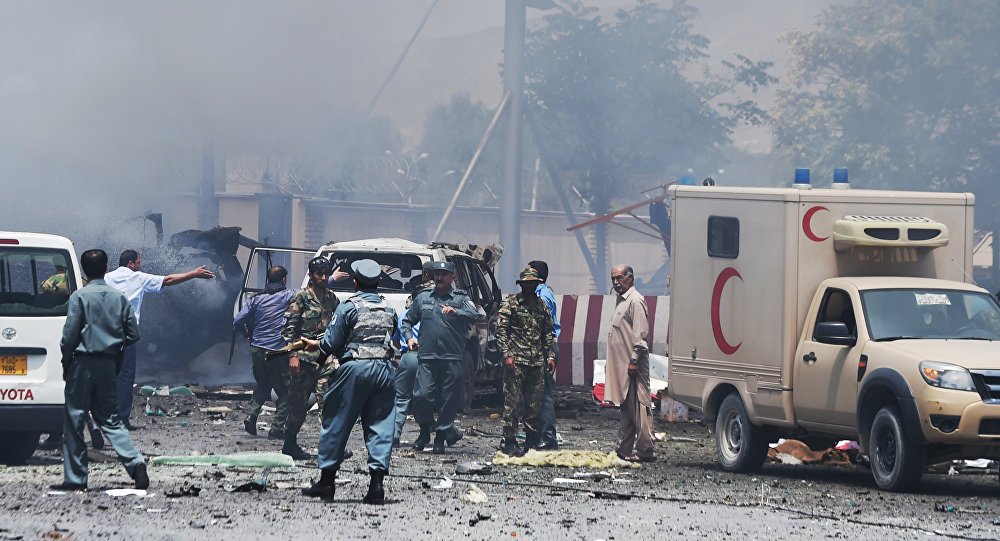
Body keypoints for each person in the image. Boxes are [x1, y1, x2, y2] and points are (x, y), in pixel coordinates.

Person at [301, 259, 398, 504]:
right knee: (380, 425)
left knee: (336, 421)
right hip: (385, 370)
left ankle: (326, 483)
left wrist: (319, 361)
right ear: (377, 282)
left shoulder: (349, 306)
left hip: (355, 368)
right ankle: (376, 487)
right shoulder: (389, 308)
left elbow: (330, 341)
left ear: (355, 282)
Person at [53, 249, 148, 491]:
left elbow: (69, 335)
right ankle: (135, 463)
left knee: (75, 418)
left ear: (84, 270)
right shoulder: (119, 297)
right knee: (111, 420)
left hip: (83, 362)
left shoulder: (79, 297)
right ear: (105, 268)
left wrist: (66, 363)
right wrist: (115, 353)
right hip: (109, 364)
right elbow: (134, 334)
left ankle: (75, 479)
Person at [105, 249, 214, 429]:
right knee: (125, 377)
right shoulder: (138, 277)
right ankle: (122, 419)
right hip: (126, 333)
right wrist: (193, 274)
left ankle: (106, 418)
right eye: (138, 262)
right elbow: (168, 280)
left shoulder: (107, 278)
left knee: (109, 375)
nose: (140, 265)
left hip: (106, 332)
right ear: (130, 263)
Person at [401, 261, 479, 454]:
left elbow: (474, 314)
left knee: (448, 400)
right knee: (422, 396)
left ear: (452, 277)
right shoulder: (423, 297)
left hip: (451, 358)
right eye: (437, 274)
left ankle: (441, 437)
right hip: (427, 357)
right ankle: (424, 430)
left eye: (444, 274)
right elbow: (407, 321)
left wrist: (457, 311)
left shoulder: (460, 298)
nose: (440, 277)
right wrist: (409, 338)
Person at [280, 256, 339, 460]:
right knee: (298, 405)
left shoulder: (332, 299)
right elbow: (288, 331)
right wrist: (293, 356)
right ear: (311, 276)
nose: (323, 277)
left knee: (328, 403)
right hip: (303, 361)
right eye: (319, 274)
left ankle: (331, 447)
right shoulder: (301, 298)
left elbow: (336, 328)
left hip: (325, 360)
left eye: (326, 273)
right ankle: (289, 444)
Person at [496, 267, 556, 456]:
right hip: (516, 361)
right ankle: (510, 440)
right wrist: (506, 354)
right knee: (512, 403)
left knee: (534, 404)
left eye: (533, 283)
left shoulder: (541, 306)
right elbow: (501, 332)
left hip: (537, 362)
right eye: (526, 283)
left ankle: (531, 440)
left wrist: (551, 356)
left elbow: (548, 332)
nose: (529, 286)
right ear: (521, 285)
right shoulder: (511, 304)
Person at [233, 265, 296, 439]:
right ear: (284, 279)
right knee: (286, 391)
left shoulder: (256, 299)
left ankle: (251, 417)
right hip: (276, 351)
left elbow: (238, 319)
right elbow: (310, 290)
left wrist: (244, 333)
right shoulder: (287, 295)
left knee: (263, 384)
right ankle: (276, 428)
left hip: (257, 349)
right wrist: (332, 279)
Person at [606, 264, 655, 463]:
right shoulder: (622, 301)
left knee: (640, 406)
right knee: (627, 408)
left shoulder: (635, 301)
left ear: (630, 278)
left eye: (619, 278)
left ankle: (645, 450)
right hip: (624, 366)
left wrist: (634, 359)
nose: (616, 283)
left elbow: (641, 335)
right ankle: (623, 449)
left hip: (633, 365)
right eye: (613, 279)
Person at [528, 260, 561, 450]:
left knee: (544, 394)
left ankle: (548, 438)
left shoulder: (543, 295)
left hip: (543, 347)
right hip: (537, 347)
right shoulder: (540, 293)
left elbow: (545, 327)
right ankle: (538, 435)